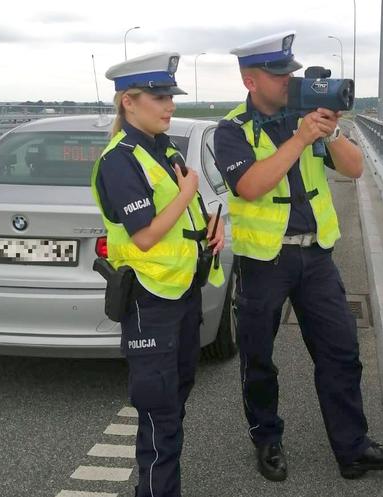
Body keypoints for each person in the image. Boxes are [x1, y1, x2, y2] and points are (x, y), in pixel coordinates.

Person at [213, 31, 383, 481]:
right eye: (278, 73)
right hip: (264, 261)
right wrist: (300, 139)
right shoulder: (232, 131)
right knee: (258, 358)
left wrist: (331, 130)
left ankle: (353, 448)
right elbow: (251, 186)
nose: (289, 80)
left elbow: (355, 169)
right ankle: (267, 439)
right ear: (250, 81)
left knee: (341, 352)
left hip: (316, 256)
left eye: (291, 71)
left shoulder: (307, 119)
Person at [90, 52, 225, 497]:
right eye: (159, 96)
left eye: (170, 95)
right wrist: (188, 189)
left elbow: (179, 213)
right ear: (129, 101)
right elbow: (145, 236)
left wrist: (207, 224)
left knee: (175, 400)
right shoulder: (120, 159)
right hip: (150, 300)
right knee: (158, 412)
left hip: (180, 292)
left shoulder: (161, 147)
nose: (169, 104)